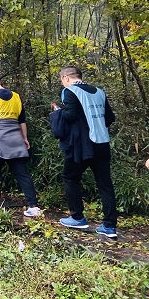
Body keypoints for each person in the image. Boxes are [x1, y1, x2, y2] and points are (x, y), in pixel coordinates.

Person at [53, 65, 118, 238]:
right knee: (105, 184)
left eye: (62, 80)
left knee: (70, 177)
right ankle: (110, 226)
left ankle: (77, 218)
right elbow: (110, 118)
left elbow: (70, 115)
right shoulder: (99, 92)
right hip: (102, 143)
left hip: (82, 145)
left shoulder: (69, 91)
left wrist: (58, 112)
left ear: (66, 78)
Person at [0, 68, 41, 217]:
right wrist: (24, 138)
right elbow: (22, 120)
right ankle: (33, 206)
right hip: (15, 139)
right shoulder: (16, 96)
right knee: (22, 174)